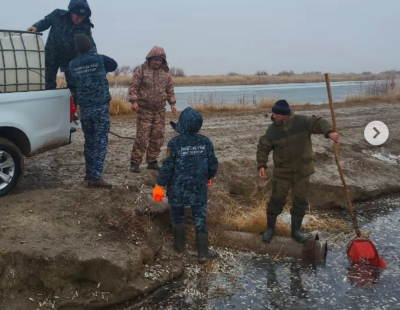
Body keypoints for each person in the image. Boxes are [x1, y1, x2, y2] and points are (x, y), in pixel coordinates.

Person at [256, 99, 339, 243]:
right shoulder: (272, 130)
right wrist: (262, 165)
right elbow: (263, 148)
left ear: (283, 114)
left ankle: (296, 232)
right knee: (276, 201)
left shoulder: (303, 122)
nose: (272, 115)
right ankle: (270, 230)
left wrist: (329, 133)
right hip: (283, 173)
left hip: (302, 172)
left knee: (300, 202)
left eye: (275, 113)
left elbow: (319, 122)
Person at [156, 107, 218, 264]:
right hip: (198, 187)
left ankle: (179, 247)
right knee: (200, 218)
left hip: (178, 188)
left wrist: (160, 185)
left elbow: (168, 166)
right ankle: (203, 253)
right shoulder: (206, 142)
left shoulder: (174, 143)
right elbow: (213, 164)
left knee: (177, 216)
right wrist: (208, 177)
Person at [69, 34, 117, 188]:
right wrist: (95, 54)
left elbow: (73, 81)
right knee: (101, 141)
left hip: (85, 108)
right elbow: (114, 65)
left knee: (89, 141)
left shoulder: (72, 64)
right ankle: (96, 177)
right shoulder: (99, 59)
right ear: (90, 46)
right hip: (100, 106)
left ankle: (89, 173)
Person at [27, 0, 96, 96]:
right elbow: (45, 22)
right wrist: (35, 27)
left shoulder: (85, 26)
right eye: (77, 17)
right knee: (48, 84)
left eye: (82, 17)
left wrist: (94, 54)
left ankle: (71, 107)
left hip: (71, 60)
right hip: (51, 56)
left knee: (74, 87)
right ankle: (50, 105)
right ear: (71, 12)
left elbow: (89, 42)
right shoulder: (58, 15)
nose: (79, 20)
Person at [128, 46, 177, 173]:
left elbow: (170, 89)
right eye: (155, 59)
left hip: (160, 110)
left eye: (160, 60)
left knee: (158, 136)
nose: (158, 62)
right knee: (142, 137)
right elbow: (133, 86)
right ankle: (135, 163)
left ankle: (152, 161)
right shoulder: (141, 70)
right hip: (144, 109)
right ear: (150, 59)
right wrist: (134, 101)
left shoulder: (165, 72)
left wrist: (172, 103)